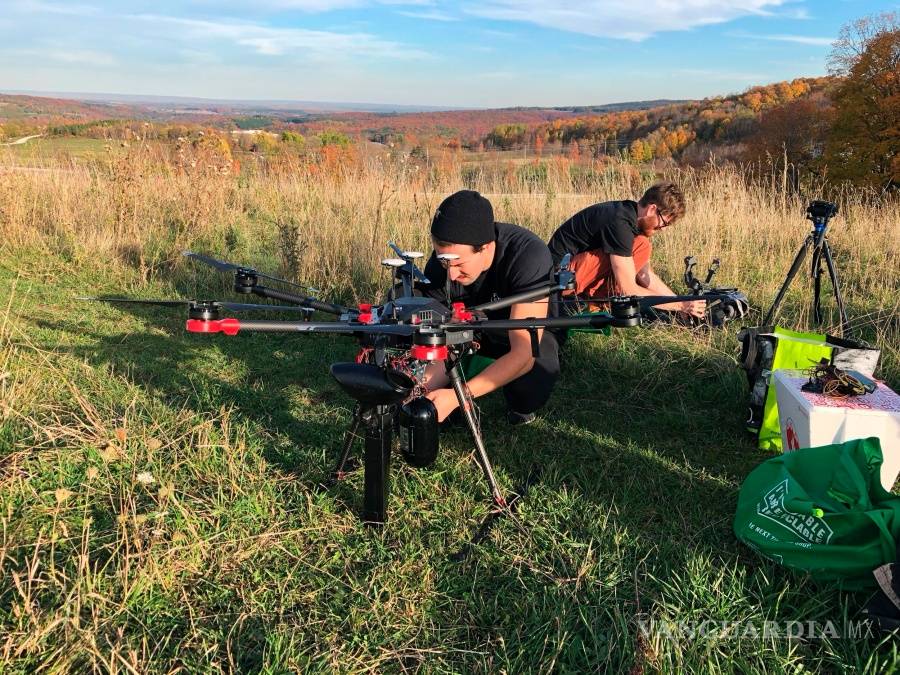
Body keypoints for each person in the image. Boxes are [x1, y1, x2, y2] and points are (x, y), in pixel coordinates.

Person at [419, 190, 560, 425]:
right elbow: (438, 333)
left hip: (523, 333)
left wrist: (457, 396)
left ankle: (509, 399)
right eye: (444, 262)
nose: (451, 274)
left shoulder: (527, 256)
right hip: (470, 330)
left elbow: (523, 353)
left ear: (485, 247)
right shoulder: (443, 263)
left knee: (528, 391)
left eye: (459, 264)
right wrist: (418, 388)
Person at [547, 182, 705, 318]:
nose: (662, 229)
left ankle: (598, 303)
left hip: (571, 273)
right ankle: (594, 304)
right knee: (642, 246)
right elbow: (628, 289)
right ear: (652, 209)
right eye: (664, 223)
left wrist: (678, 301)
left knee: (641, 245)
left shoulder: (630, 218)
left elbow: (645, 274)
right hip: (559, 278)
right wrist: (680, 306)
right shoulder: (620, 223)